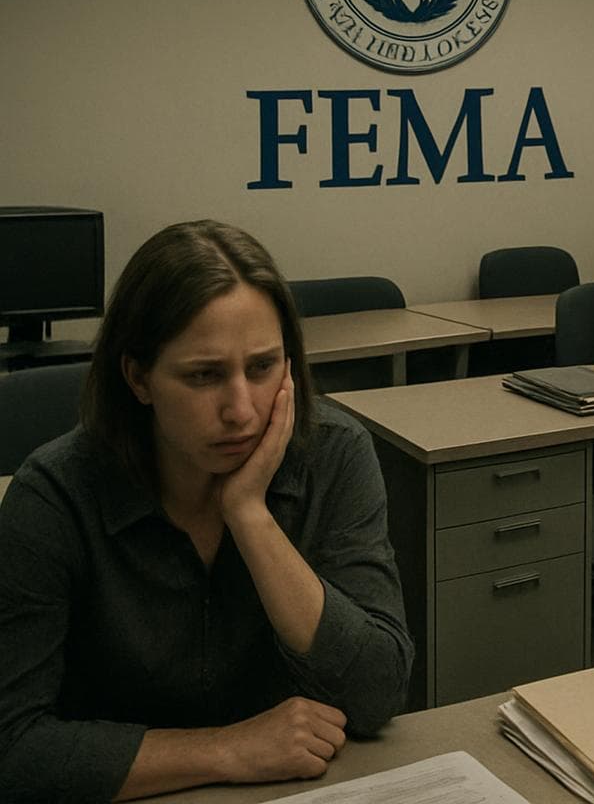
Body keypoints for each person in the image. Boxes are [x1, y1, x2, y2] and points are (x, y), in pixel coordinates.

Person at [0, 221, 413, 802]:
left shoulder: (335, 455)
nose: (242, 411)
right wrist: (229, 748)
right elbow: (13, 749)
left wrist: (249, 514)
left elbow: (377, 692)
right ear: (138, 377)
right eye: (204, 375)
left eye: (264, 367)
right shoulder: (55, 494)